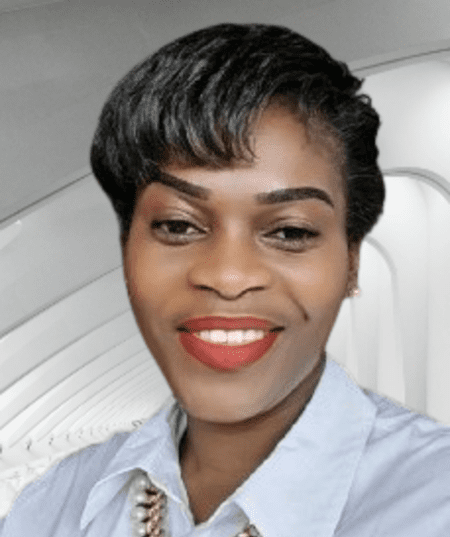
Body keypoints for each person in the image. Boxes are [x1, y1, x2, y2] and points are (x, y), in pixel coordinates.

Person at [1, 22, 449, 537]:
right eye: (178, 226)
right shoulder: (57, 506)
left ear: (351, 263)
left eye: (290, 231)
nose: (229, 277)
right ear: (126, 250)